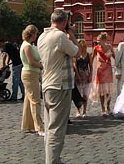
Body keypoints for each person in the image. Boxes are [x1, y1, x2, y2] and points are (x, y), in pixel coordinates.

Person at [38, 9, 79, 164]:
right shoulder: (60, 36)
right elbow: (77, 51)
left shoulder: (42, 36)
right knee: (57, 128)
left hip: (47, 84)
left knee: (50, 127)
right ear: (64, 22)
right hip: (60, 85)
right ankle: (53, 161)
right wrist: (72, 35)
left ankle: (53, 159)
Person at [20, 24, 44, 135]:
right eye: (35, 33)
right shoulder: (27, 46)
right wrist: (41, 65)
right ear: (32, 34)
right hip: (30, 73)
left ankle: (28, 125)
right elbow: (31, 62)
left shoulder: (27, 44)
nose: (36, 35)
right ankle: (39, 127)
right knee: (35, 101)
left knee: (29, 100)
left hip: (30, 73)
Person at [90, 32, 115, 116]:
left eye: (99, 40)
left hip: (108, 70)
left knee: (108, 89)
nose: (98, 42)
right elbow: (92, 58)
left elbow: (115, 57)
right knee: (101, 90)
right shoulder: (96, 48)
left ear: (104, 40)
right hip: (100, 70)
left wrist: (119, 63)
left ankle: (108, 106)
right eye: (97, 41)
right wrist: (90, 68)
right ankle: (102, 108)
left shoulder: (109, 47)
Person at [73, 39, 91, 118]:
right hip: (78, 76)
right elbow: (75, 66)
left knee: (85, 95)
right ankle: (78, 110)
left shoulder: (88, 55)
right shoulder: (76, 55)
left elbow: (91, 66)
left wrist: (90, 75)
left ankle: (84, 110)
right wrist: (78, 76)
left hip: (86, 76)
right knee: (78, 95)